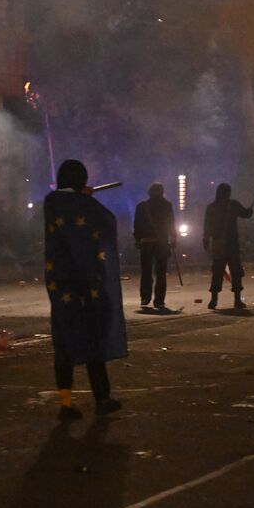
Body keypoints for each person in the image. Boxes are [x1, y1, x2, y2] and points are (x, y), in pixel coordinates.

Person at [44, 160, 126, 419]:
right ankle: (102, 398)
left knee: (64, 340)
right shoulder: (84, 205)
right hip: (88, 283)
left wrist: (82, 197)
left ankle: (66, 404)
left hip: (60, 282)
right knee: (94, 340)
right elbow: (105, 221)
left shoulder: (51, 201)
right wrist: (85, 198)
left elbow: (66, 210)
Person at [202, 182, 254, 310]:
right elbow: (246, 214)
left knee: (217, 271)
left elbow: (207, 225)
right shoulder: (233, 205)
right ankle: (237, 300)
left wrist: (206, 239)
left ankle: (213, 300)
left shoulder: (211, 207)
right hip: (232, 244)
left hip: (218, 243)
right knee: (236, 272)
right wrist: (250, 210)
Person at [132, 183, 177, 311]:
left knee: (146, 271)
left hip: (146, 242)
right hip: (161, 243)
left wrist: (137, 239)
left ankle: (145, 297)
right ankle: (159, 300)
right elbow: (171, 223)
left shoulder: (142, 206)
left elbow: (136, 225)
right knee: (161, 272)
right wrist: (173, 237)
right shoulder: (167, 205)